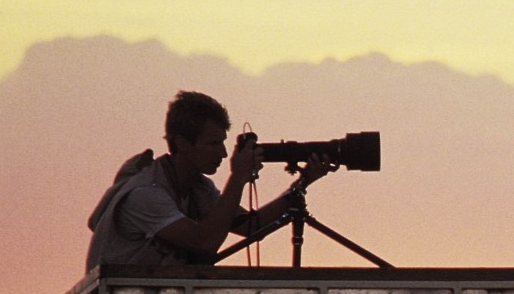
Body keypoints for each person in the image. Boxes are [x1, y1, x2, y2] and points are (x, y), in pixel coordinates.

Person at [86, 90, 333, 269]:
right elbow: (204, 242)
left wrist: (302, 184)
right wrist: (238, 178)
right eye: (213, 144)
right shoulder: (145, 194)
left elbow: (249, 226)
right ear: (181, 142)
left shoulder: (197, 188)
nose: (223, 153)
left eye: (223, 142)